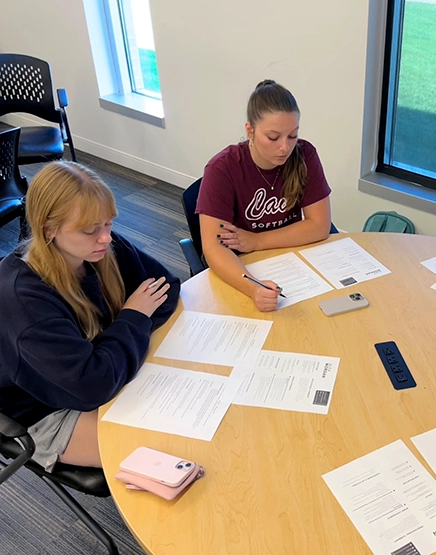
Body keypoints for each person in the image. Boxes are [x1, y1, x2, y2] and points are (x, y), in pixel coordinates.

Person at [0, 161, 180, 471]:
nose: (106, 237)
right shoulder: (24, 302)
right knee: (172, 451)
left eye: (108, 223)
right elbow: (91, 387)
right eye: (90, 229)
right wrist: (133, 317)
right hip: (47, 410)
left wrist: (113, 351)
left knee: (194, 416)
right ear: (48, 229)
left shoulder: (98, 247)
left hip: (102, 371)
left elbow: (166, 288)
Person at [196, 79, 332, 312]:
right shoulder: (222, 169)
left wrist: (257, 240)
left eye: (292, 136)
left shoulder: (305, 155)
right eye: (273, 137)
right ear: (250, 130)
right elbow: (214, 247)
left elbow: (320, 226)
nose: (285, 148)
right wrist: (254, 287)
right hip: (242, 265)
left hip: (289, 255)